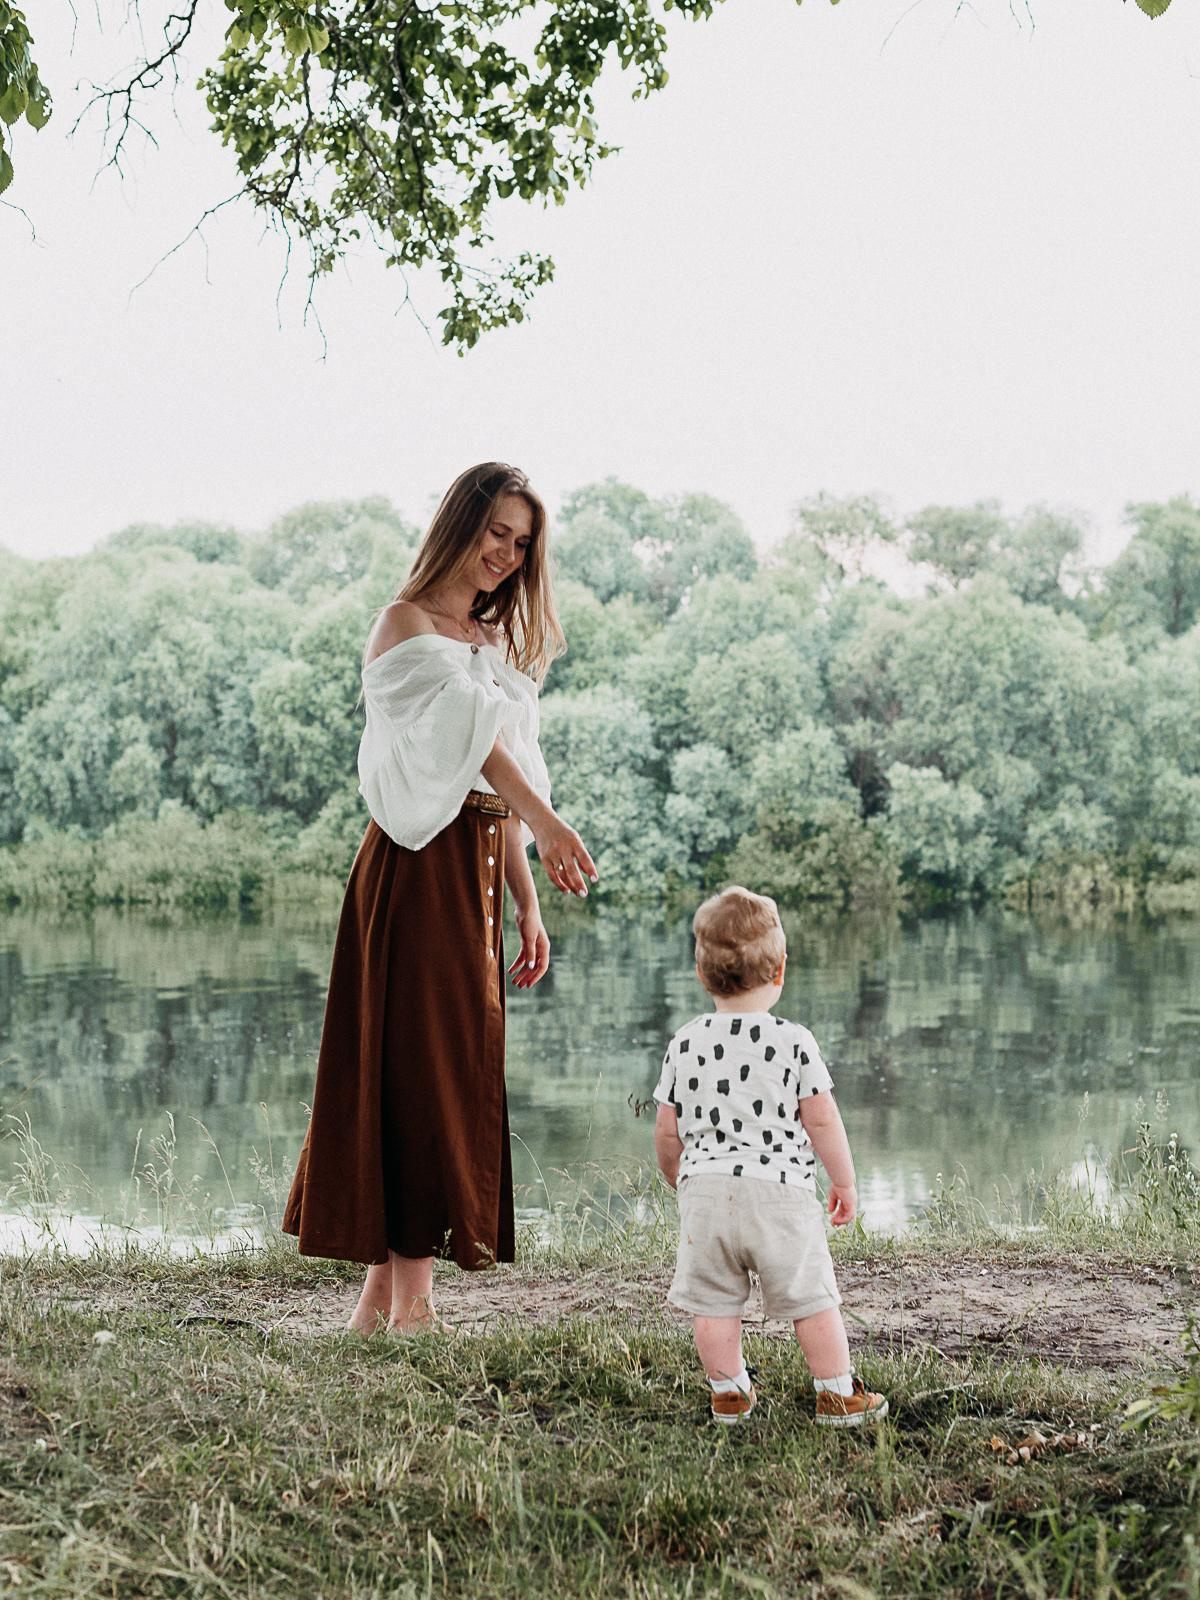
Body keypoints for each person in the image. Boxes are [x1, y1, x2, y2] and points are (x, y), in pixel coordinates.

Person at [282, 462, 597, 1333]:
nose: (506, 553)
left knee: (443, 1068)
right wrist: (555, 823)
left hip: (477, 870)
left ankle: (379, 1306)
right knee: (418, 1071)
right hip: (417, 867)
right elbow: (477, 749)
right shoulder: (405, 626)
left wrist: (528, 900)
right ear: (459, 524)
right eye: (496, 531)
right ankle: (414, 1306)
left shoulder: (487, 639)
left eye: (522, 542)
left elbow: (496, 788)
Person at [653, 886, 888, 1426]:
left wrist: (680, 1178)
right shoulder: (793, 1040)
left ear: (701, 972)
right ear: (780, 970)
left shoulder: (683, 1042)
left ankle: (729, 1393)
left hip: (706, 1192)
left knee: (714, 1303)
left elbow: (668, 1130)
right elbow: (822, 1118)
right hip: (780, 1191)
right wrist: (845, 1182)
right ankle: (835, 1393)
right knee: (810, 1296)